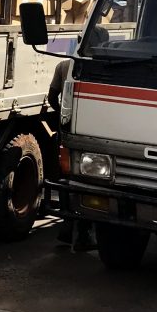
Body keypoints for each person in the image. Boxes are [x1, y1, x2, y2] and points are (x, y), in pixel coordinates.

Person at [48, 58, 96, 252]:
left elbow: (52, 97)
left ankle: (67, 226)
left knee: (66, 178)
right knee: (88, 182)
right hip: (91, 132)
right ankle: (84, 234)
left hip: (68, 131)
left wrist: (64, 115)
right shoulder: (101, 66)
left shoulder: (64, 66)